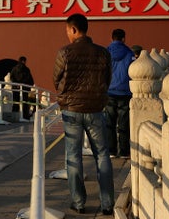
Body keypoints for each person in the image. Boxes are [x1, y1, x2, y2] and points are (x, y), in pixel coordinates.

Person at [53, 13, 114, 215]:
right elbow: (107, 79)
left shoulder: (65, 52)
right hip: (95, 109)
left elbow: (56, 78)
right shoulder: (102, 53)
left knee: (73, 155)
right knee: (102, 155)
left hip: (71, 110)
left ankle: (78, 202)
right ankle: (107, 204)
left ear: (73, 29)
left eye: (67, 31)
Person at [105, 28, 135, 158]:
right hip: (125, 92)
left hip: (110, 91)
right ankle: (124, 151)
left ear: (112, 38)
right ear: (123, 39)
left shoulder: (106, 52)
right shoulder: (129, 53)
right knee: (124, 123)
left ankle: (111, 150)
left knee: (109, 123)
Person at [10, 56, 34, 120]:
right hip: (24, 88)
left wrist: (16, 84)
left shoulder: (14, 68)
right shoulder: (26, 69)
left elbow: (11, 77)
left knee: (16, 102)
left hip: (16, 88)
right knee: (24, 102)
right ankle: (25, 116)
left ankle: (15, 117)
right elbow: (29, 79)